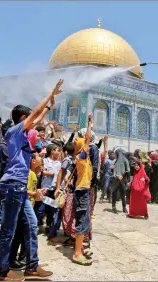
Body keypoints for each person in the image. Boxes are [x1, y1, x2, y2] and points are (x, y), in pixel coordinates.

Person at [0, 80, 63, 281]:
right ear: (23, 118)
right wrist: (50, 93)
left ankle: (32, 266)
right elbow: (35, 116)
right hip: (12, 185)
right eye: (29, 118)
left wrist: (50, 105)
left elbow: (38, 117)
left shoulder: (22, 134)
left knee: (32, 225)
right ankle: (1, 271)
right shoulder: (14, 132)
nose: (35, 124)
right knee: (8, 230)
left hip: (20, 187)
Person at [72, 112, 94, 266]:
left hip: (83, 191)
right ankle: (77, 253)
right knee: (82, 221)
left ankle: (80, 248)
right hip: (82, 192)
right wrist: (90, 123)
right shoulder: (81, 158)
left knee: (84, 220)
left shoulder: (82, 159)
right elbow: (87, 140)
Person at [110, 148, 130, 213]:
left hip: (122, 180)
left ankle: (124, 207)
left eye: (116, 153)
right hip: (115, 180)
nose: (115, 155)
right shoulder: (114, 161)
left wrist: (122, 176)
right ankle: (113, 207)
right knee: (114, 193)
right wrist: (115, 175)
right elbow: (111, 170)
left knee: (123, 193)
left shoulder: (125, 160)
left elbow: (128, 170)